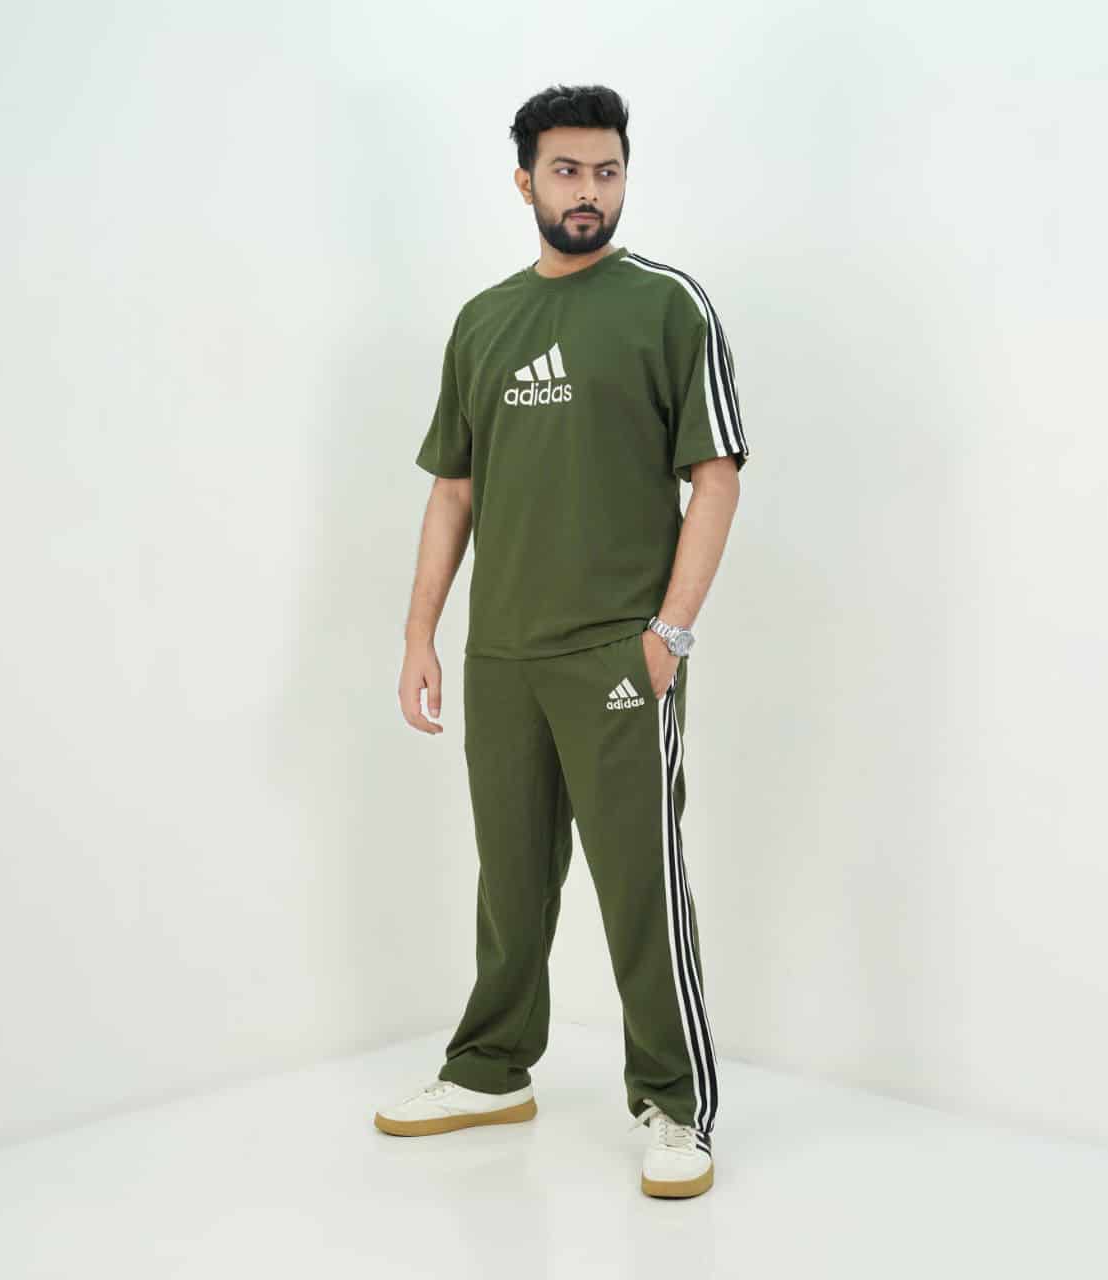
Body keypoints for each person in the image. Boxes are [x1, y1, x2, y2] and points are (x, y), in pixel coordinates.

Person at [375, 83, 749, 1200]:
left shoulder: (667, 305)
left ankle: (675, 1103)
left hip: (616, 654)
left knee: (640, 886)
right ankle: (489, 1068)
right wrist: (420, 633)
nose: (588, 191)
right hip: (502, 656)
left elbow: (715, 476)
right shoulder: (483, 320)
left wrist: (668, 634)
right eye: (567, 171)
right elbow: (454, 489)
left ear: (624, 177)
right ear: (525, 181)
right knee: (511, 880)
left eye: (606, 171)